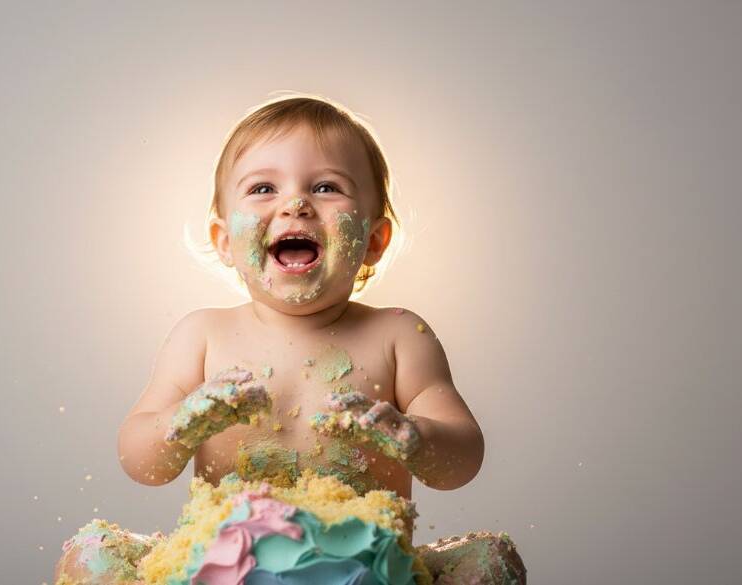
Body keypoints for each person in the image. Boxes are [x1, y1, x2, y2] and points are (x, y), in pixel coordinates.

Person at [55, 93, 526, 585]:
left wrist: (416, 438)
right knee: (91, 555)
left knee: (491, 561)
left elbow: (461, 461)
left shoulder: (399, 335)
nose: (295, 203)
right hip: (224, 566)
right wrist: (183, 421)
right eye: (262, 188)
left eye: (326, 187)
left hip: (369, 568)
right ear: (224, 242)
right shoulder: (203, 334)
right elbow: (141, 463)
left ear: (373, 240)